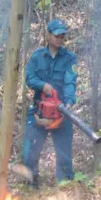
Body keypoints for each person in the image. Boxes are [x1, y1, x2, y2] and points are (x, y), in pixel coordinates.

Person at [22, 19, 78, 189]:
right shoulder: (37, 56)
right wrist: (43, 85)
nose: (60, 39)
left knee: (64, 154)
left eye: (62, 36)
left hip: (60, 110)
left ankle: (65, 186)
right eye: (57, 36)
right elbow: (29, 78)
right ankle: (31, 183)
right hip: (39, 109)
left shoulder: (69, 58)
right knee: (31, 151)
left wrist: (68, 101)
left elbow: (70, 81)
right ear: (48, 35)